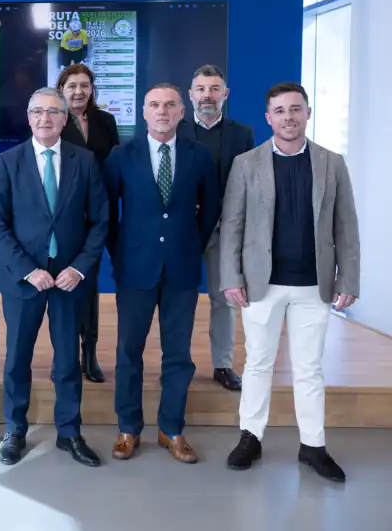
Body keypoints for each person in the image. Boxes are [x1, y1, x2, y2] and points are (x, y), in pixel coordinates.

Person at [220, 82, 359, 482]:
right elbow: (232, 225)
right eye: (280, 111)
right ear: (268, 118)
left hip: (314, 285)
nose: (288, 117)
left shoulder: (333, 163)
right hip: (261, 285)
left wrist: (348, 278)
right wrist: (231, 276)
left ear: (308, 113)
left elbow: (346, 226)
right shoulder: (246, 164)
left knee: (309, 368)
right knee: (258, 363)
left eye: (295, 109)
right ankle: (250, 437)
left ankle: (313, 445)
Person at [0, 87, 109, 467]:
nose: (45, 118)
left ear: (64, 118)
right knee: (17, 359)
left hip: (69, 279)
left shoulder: (84, 161)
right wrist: (28, 270)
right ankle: (15, 429)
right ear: (29, 118)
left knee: (68, 361)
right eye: (38, 112)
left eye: (53, 112)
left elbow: (100, 221)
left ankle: (69, 432)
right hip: (23, 279)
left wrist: (78, 268)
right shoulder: (7, 163)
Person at [104, 83, 219, 463]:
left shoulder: (200, 156)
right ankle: (128, 428)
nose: (162, 111)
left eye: (170, 105)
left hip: (182, 269)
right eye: (154, 104)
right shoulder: (122, 156)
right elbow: (108, 215)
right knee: (128, 352)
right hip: (135, 268)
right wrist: (122, 253)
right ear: (143, 112)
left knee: (178, 355)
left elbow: (211, 210)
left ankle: (172, 429)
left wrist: (190, 245)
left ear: (182, 112)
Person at [177, 65, 254, 391]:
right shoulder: (175, 130)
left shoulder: (242, 134)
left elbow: (248, 183)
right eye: (201, 89)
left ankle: (223, 365)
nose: (207, 95)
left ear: (226, 94)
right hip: (184, 230)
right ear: (190, 94)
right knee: (180, 299)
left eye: (214, 88)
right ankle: (177, 363)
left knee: (224, 300)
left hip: (224, 228)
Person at [57, 63, 121, 383]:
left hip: (99, 215)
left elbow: (116, 165)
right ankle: (65, 356)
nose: (79, 91)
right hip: (65, 217)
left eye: (84, 85)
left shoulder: (105, 121)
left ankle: (89, 353)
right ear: (62, 90)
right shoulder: (53, 120)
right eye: (72, 86)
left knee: (90, 285)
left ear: (92, 89)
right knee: (65, 287)